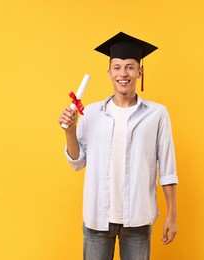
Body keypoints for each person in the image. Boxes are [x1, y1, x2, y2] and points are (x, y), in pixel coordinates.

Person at [58, 32, 178, 260]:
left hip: (138, 219)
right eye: (117, 67)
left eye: (130, 67)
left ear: (140, 72)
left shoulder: (157, 114)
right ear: (109, 73)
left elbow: (168, 169)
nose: (123, 73)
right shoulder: (92, 113)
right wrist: (70, 131)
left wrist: (172, 214)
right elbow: (77, 162)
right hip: (97, 219)